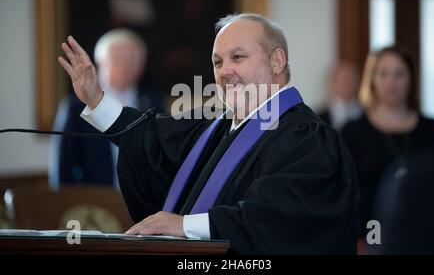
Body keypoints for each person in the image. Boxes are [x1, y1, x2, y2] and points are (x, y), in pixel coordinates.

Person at [57, 13, 358, 254]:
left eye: (237, 57)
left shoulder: (307, 139)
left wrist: (184, 226)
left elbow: (279, 221)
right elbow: (150, 137)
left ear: (276, 61)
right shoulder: (216, 127)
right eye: (217, 61)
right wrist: (96, 98)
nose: (224, 71)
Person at [341, 47, 434, 242]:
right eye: (383, 74)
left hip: (427, 233)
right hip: (371, 234)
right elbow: (344, 194)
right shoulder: (352, 132)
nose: (392, 82)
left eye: (399, 73)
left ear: (411, 79)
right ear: (372, 80)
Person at [49, 29, 164, 188]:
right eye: (118, 58)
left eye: (132, 59)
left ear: (142, 65)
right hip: (94, 202)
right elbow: (63, 168)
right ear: (100, 62)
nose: (126, 65)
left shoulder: (153, 102)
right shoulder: (75, 106)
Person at [317, 61, 362, 131]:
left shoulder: (367, 115)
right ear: (332, 82)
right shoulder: (317, 118)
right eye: (342, 79)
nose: (346, 83)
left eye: (351, 78)